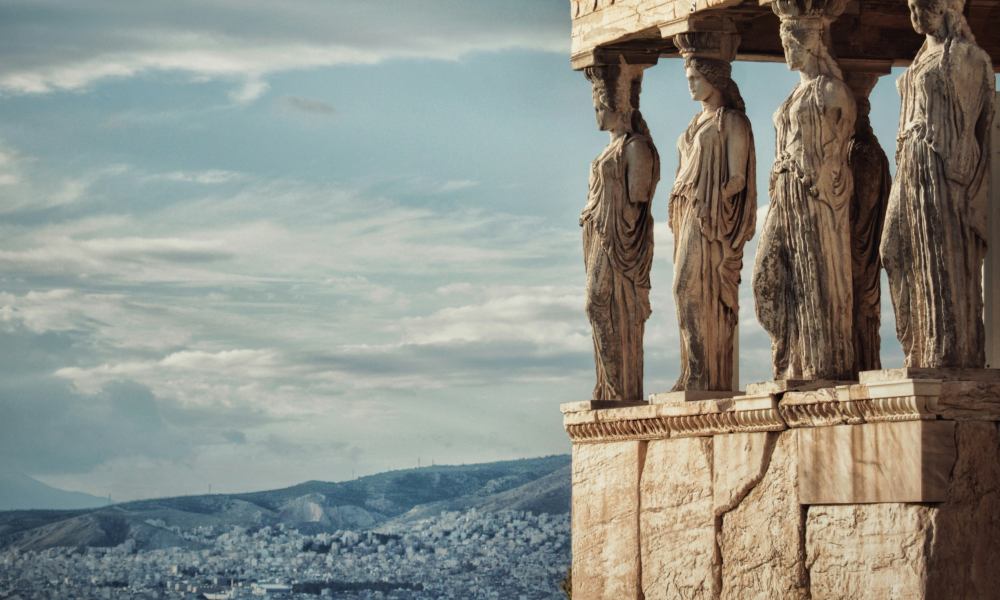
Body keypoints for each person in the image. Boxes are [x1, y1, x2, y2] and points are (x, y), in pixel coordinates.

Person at [880, 0, 995, 368]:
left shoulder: (967, 56)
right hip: (911, 162)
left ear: (948, 5)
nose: (917, 13)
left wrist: (960, 165)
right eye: (912, 6)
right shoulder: (918, 60)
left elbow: (975, 121)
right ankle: (917, 344)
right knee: (892, 249)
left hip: (943, 165)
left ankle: (947, 352)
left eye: (925, 4)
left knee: (943, 255)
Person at [752, 0, 857, 381]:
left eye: (791, 44)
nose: (786, 52)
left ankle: (818, 362)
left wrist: (824, 176)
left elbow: (841, 144)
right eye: (784, 44)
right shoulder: (792, 97)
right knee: (766, 278)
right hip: (784, 192)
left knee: (814, 276)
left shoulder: (832, 91)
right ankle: (790, 354)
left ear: (811, 44)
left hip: (815, 194)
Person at [669, 34, 756, 391]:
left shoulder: (731, 121)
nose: (689, 84)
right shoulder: (694, 123)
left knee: (686, 288)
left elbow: (738, 177)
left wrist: (716, 199)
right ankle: (692, 371)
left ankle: (705, 373)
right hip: (686, 210)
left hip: (710, 216)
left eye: (695, 77)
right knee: (684, 290)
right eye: (688, 77)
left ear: (714, 78)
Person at [580, 61, 660, 401]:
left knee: (601, 304)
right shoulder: (609, 149)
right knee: (597, 306)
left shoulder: (635, 147)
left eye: (600, 107)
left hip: (619, 240)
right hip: (598, 234)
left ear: (617, 105)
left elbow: (638, 198)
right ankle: (609, 386)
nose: (597, 115)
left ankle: (621, 387)